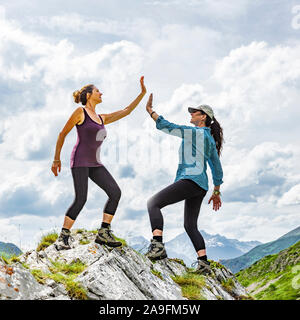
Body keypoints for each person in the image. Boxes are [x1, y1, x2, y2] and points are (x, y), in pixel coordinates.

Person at [51, 77, 146, 250]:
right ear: (88, 95)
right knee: (81, 199)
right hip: (79, 161)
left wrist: (142, 93)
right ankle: (63, 236)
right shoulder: (80, 113)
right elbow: (62, 134)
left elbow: (127, 111)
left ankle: (104, 233)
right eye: (97, 91)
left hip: (95, 163)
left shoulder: (102, 118)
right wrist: (56, 159)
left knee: (115, 192)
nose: (101, 93)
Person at [145, 93, 224, 274]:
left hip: (189, 180)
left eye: (195, 112)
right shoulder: (210, 139)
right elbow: (217, 168)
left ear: (203, 117)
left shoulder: (193, 132)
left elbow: (168, 126)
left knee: (153, 203)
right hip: (201, 186)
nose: (191, 114)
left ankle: (157, 246)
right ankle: (204, 263)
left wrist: (151, 112)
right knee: (190, 225)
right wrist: (217, 191)